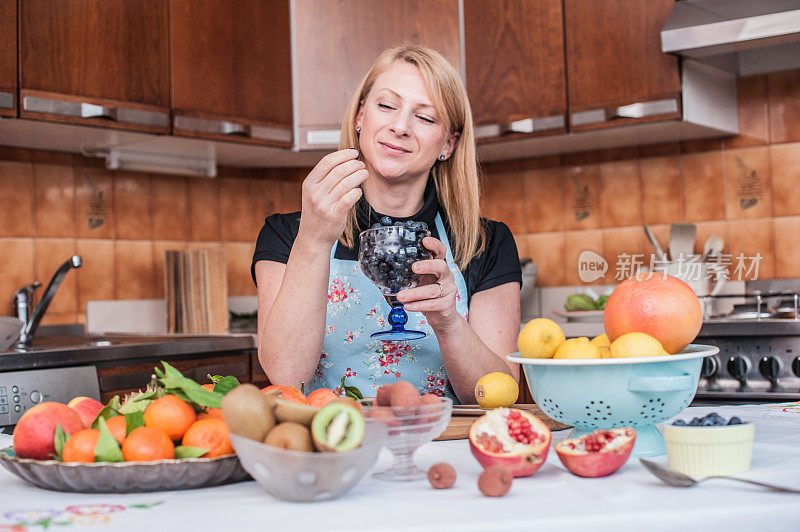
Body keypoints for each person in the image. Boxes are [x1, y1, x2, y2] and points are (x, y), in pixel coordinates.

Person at [252, 44, 521, 404]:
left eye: (425, 118)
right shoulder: (286, 234)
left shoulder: (486, 243)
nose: (400, 126)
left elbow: (499, 394)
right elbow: (286, 376)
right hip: (333, 447)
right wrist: (313, 241)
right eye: (386, 105)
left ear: (449, 143)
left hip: (442, 449)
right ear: (361, 115)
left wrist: (449, 321)